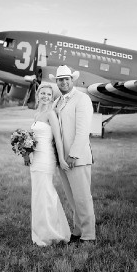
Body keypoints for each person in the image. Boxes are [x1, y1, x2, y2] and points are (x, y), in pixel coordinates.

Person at [51, 65, 96, 245]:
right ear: (56, 82)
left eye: (66, 79)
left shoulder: (82, 99)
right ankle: (77, 232)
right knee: (72, 198)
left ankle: (89, 235)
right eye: (60, 80)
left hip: (77, 158)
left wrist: (73, 155)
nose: (63, 82)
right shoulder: (56, 102)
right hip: (62, 160)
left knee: (83, 197)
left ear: (72, 80)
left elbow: (83, 130)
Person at [25, 83, 71, 246]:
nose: (45, 96)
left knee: (47, 193)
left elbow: (58, 139)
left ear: (52, 98)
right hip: (35, 158)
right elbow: (32, 139)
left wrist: (62, 159)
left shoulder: (51, 114)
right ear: (38, 95)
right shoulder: (37, 114)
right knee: (38, 195)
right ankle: (40, 232)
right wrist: (26, 150)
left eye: (49, 95)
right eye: (43, 93)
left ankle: (55, 232)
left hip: (46, 158)